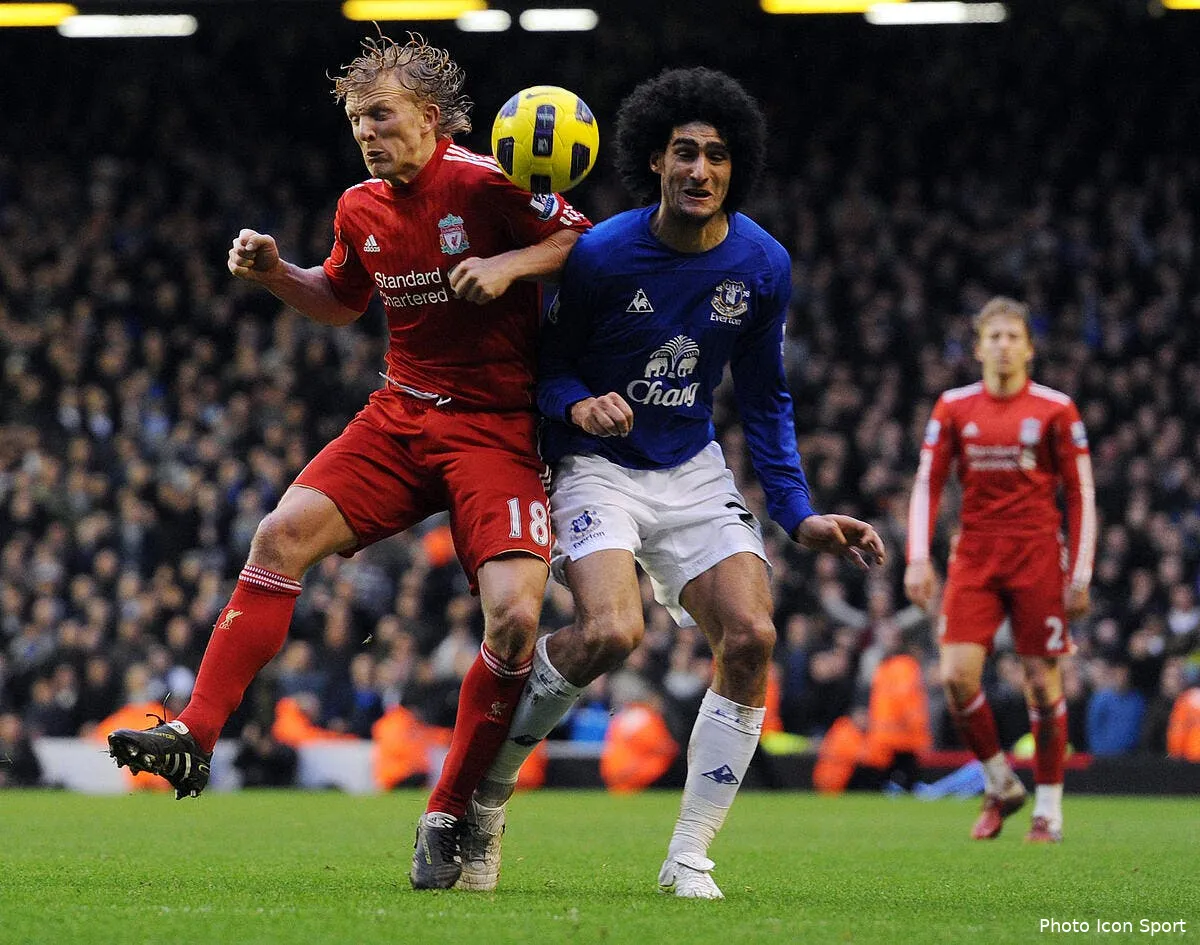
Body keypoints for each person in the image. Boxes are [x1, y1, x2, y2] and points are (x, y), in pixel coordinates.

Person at [105, 31, 588, 890]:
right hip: (401, 414)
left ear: (430, 119)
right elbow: (339, 300)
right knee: (279, 535)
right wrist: (276, 273)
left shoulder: (486, 184)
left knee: (515, 618)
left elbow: (583, 242)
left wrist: (511, 264)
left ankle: (447, 811)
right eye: (357, 119)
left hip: (495, 430)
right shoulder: (359, 205)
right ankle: (195, 733)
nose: (366, 131)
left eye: (382, 114)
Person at [454, 67, 886, 899]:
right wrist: (580, 404)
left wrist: (798, 515)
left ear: (736, 168)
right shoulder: (603, 254)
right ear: (653, 160)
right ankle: (491, 790)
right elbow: (545, 369)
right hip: (597, 469)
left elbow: (765, 399)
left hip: (691, 469)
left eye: (717, 156)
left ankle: (688, 854)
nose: (700, 170)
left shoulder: (763, 264)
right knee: (613, 632)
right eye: (684, 152)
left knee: (753, 637)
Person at [904, 296, 1097, 844]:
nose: (1004, 345)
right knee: (955, 676)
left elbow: (1081, 494)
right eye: (994, 336)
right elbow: (928, 483)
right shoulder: (954, 407)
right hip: (975, 555)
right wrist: (919, 556)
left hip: (1038, 554)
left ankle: (1050, 810)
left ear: (1030, 348)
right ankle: (1002, 784)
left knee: (1041, 681)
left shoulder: (1057, 409)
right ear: (978, 346)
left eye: (1013, 336)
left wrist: (1079, 572)